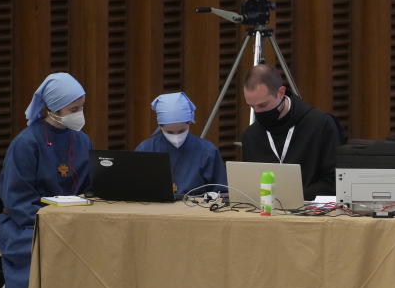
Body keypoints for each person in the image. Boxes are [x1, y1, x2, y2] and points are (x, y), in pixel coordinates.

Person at [0, 72, 92, 288]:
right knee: (33, 253)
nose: (79, 114)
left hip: (71, 222)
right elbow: (16, 200)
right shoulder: (26, 143)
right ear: (53, 109)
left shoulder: (82, 141)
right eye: (74, 109)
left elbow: (91, 187)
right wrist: (50, 221)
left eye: (82, 107)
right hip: (26, 224)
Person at [240, 64, 342, 199]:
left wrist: (294, 196)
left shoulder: (321, 124)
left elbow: (335, 181)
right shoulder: (251, 136)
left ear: (281, 92)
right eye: (252, 106)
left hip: (312, 213)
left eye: (263, 105)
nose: (257, 112)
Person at [134, 92, 226, 195]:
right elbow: (133, 188)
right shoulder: (145, 150)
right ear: (160, 126)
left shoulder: (207, 152)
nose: (176, 137)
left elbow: (221, 193)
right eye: (170, 132)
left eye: (181, 131)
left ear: (190, 122)